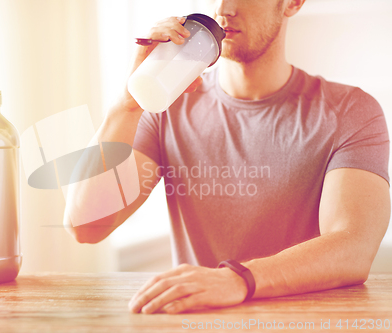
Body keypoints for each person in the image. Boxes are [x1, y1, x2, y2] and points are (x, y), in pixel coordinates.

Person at [64, 0, 390, 314]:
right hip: (199, 320)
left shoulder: (351, 111)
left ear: (293, 3)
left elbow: (352, 246)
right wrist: (127, 104)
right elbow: (86, 224)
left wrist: (234, 280)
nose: (224, 9)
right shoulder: (167, 107)